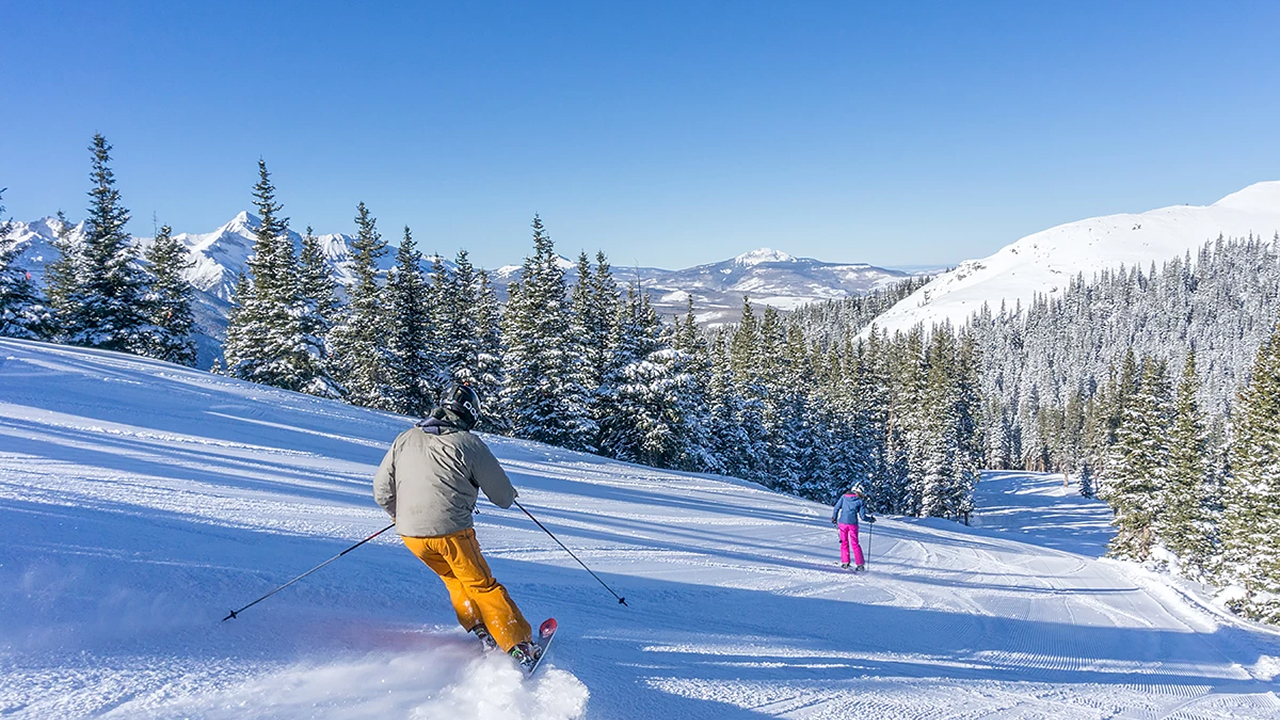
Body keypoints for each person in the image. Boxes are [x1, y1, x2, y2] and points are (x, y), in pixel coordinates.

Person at [373, 384, 542, 668]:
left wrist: (398, 516)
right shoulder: (468, 443)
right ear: (471, 413)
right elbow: (502, 497)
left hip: (411, 535)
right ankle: (519, 646)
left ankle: (480, 629)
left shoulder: (405, 438)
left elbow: (381, 491)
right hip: (451, 532)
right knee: (483, 586)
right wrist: (511, 494)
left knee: (454, 580)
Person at [831, 484, 876, 571]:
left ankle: (845, 563)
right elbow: (862, 517)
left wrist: (834, 517)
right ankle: (860, 565)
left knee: (844, 543)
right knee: (855, 543)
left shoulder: (844, 497)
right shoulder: (860, 501)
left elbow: (836, 507)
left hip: (842, 523)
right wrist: (870, 519)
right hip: (853, 524)